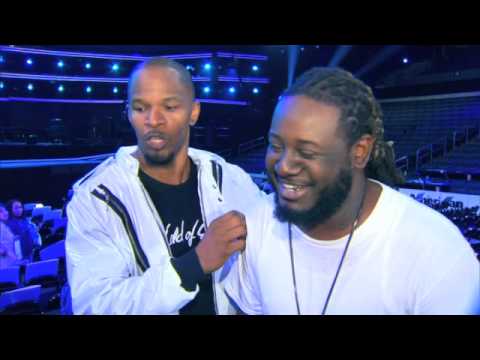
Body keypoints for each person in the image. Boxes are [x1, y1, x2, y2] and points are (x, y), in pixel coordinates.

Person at [225, 67, 480, 315]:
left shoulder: (438, 254)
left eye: (307, 152)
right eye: (276, 145)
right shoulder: (258, 223)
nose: (284, 166)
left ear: (359, 152)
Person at [65, 57, 264, 315]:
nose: (153, 119)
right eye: (140, 108)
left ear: (193, 112)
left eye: (169, 107)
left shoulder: (227, 177)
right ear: (128, 113)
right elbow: (95, 306)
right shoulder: (95, 198)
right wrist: (194, 264)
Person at [0, 202, 18, 269]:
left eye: (5, 210)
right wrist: (4, 252)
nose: (5, 213)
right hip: (4, 265)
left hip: (11, 263)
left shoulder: (4, 225)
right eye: (1, 211)